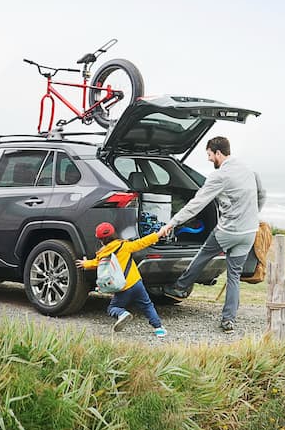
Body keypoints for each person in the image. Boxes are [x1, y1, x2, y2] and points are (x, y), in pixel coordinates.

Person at [157, 136, 266, 333]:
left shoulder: (219, 176)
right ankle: (228, 321)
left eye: (209, 155)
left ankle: (179, 287)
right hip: (249, 232)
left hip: (228, 231)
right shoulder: (248, 169)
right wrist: (253, 215)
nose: (208, 159)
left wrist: (172, 223)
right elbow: (261, 194)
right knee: (234, 276)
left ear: (218, 152)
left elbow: (197, 203)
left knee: (203, 255)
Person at [76, 222, 166, 337]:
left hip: (122, 287)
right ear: (114, 233)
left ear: (100, 239)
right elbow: (142, 242)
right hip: (136, 283)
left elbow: (96, 264)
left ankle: (122, 314)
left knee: (113, 308)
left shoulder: (103, 253)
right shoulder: (125, 246)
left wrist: (85, 264)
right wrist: (158, 234)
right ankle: (159, 329)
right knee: (147, 305)